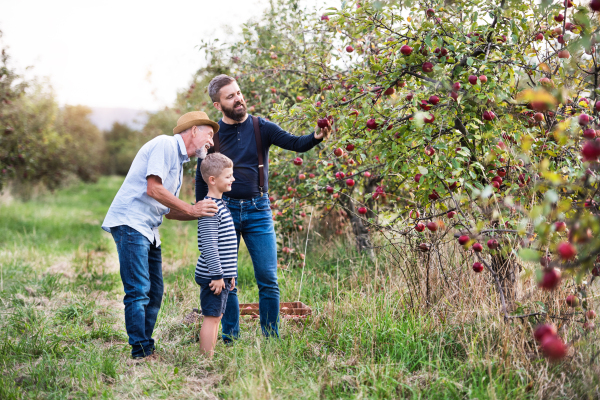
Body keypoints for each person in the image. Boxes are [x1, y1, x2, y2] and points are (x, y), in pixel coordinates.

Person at [196, 74, 331, 342]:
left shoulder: (262, 127)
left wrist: (315, 137)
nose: (238, 99)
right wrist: (202, 209)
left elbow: (295, 143)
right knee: (228, 280)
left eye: (238, 93)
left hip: (259, 210)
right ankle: (229, 336)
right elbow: (204, 175)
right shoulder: (215, 136)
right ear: (218, 105)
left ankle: (271, 337)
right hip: (225, 211)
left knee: (268, 278)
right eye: (230, 96)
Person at [102, 111, 220, 359]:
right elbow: (153, 188)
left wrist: (201, 213)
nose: (211, 141)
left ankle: (145, 347)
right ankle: (141, 351)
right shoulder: (165, 144)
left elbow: (169, 212)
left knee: (154, 292)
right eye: (209, 134)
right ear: (194, 130)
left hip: (148, 229)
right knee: (138, 290)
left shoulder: (178, 164)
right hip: (131, 222)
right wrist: (191, 207)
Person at [194, 153, 237, 357]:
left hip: (221, 275)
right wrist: (218, 276)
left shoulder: (221, 205)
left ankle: (208, 354)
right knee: (211, 317)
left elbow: (225, 245)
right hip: (213, 276)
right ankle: (206, 359)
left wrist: (229, 275)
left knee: (217, 316)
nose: (233, 179)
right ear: (213, 180)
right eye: (228, 176)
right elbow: (209, 246)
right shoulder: (210, 208)